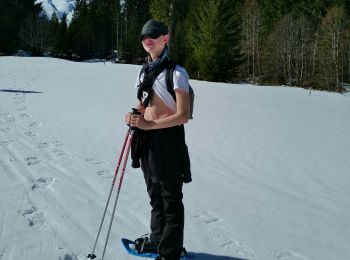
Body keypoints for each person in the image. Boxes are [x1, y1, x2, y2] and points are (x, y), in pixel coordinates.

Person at [124, 19, 191, 260]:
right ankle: (157, 240)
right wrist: (133, 115)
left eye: (153, 34)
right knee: (155, 195)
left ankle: (169, 253)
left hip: (168, 141)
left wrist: (149, 124)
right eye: (143, 36)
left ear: (166, 37)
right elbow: (142, 104)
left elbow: (183, 115)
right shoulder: (144, 71)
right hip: (147, 142)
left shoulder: (177, 73)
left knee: (170, 200)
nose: (147, 39)